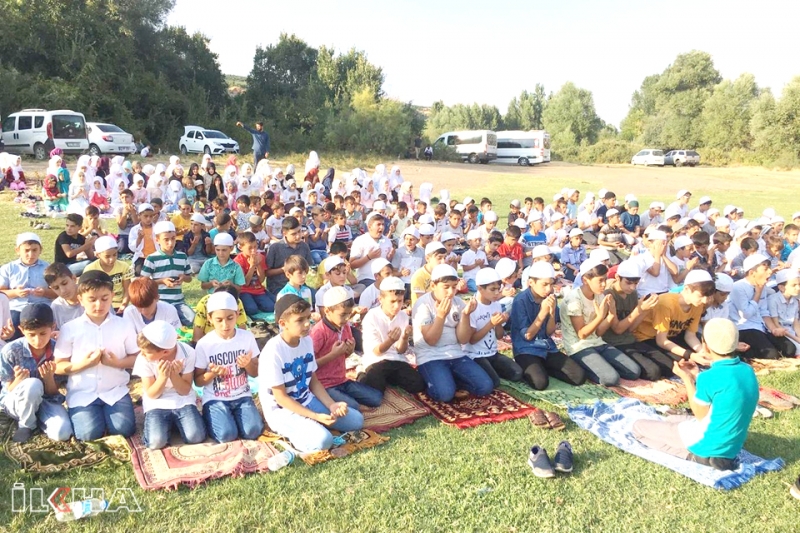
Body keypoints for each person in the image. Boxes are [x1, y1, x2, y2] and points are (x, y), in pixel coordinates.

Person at [633, 318, 758, 470]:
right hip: (731, 445)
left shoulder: (709, 377)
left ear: (704, 344)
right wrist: (696, 375)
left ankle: (694, 457)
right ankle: (703, 454)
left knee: (638, 427)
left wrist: (687, 379)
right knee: (672, 419)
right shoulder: (747, 370)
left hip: (706, 444)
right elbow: (722, 391)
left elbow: (700, 415)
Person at [259, 294, 364, 452]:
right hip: (281, 410)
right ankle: (297, 432)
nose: (307, 324)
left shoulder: (306, 341)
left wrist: (331, 405)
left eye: (308, 317)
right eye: (300, 320)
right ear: (283, 323)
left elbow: (313, 381)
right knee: (323, 441)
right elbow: (281, 398)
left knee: (356, 421)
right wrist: (315, 416)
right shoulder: (273, 350)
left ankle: (312, 425)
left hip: (306, 399)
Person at [54, 271, 138, 441]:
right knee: (88, 435)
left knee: (123, 429)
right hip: (82, 393)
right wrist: (83, 364)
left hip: (115, 391)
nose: (99, 305)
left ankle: (109, 416)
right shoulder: (70, 329)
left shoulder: (124, 325)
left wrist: (116, 363)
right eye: (92, 299)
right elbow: (59, 365)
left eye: (105, 298)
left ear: (112, 296)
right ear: (81, 299)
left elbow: (137, 357)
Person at [412, 264, 494, 402]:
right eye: (446, 287)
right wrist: (441, 316)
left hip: (456, 354)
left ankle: (449, 379)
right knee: (444, 395)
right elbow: (431, 340)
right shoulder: (422, 304)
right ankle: (438, 380)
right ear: (433, 286)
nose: (451, 292)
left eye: (454, 286)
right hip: (431, 356)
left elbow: (463, 340)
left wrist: (466, 315)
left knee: (485, 387)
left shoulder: (458, 303)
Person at [194, 292, 263, 442]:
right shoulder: (204, 344)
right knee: (227, 435)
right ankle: (211, 416)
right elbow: (198, 381)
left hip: (242, 396)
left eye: (230, 318)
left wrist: (247, 364)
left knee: (253, 431)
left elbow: (256, 372)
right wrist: (212, 373)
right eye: (219, 320)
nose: (225, 325)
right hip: (215, 398)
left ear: (237, 315)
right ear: (210, 319)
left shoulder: (247, 337)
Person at [559, 260, 642, 386]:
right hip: (579, 346)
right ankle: (581, 365)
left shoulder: (599, 296)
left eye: (605, 280)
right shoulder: (574, 299)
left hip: (598, 342)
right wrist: (600, 316)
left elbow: (598, 332)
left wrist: (611, 316)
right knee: (611, 379)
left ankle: (598, 365)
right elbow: (582, 334)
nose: (604, 284)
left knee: (634, 371)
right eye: (600, 281)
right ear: (585, 280)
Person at [0, 304, 72, 443]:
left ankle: (36, 417)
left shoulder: (59, 351)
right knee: (33, 384)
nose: (37, 340)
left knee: (62, 433)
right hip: (16, 401)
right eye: (31, 335)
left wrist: (49, 379)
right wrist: (18, 381)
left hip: (46, 400)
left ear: (53, 327)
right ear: (21, 330)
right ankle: (27, 425)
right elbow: (7, 388)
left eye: (43, 334)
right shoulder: (11, 351)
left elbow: (53, 394)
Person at [133, 321, 206, 450]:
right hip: (157, 402)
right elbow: (152, 394)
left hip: (182, 400)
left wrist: (173, 375)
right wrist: (162, 377)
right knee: (156, 443)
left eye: (146, 352)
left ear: (165, 352)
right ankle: (168, 425)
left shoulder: (187, 352)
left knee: (196, 436)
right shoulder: (142, 358)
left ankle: (173, 424)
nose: (142, 353)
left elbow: (184, 391)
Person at [633, 269, 716, 375]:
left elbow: (690, 335)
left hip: (670, 337)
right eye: (701, 296)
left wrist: (701, 352)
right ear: (687, 289)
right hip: (648, 338)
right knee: (674, 367)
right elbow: (661, 341)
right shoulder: (666, 304)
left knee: (696, 360)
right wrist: (690, 355)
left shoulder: (697, 305)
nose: (704, 301)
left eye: (707, 297)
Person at [310, 287, 383, 409]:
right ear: (327, 311)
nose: (346, 318)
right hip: (324, 384)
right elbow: (309, 366)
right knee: (353, 406)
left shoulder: (345, 326)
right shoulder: (318, 332)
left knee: (377, 398)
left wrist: (350, 351)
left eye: (349, 314)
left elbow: (343, 355)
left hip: (341, 380)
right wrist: (332, 355)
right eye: (343, 314)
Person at [358, 276, 425, 394]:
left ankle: (389, 378)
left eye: (400, 301)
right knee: (375, 388)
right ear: (381, 299)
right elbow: (376, 352)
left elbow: (400, 350)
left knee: (418, 384)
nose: (397, 306)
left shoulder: (403, 316)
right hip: (376, 360)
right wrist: (390, 341)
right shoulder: (371, 316)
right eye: (392, 301)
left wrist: (404, 337)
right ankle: (361, 372)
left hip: (396, 359)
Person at [602, 260, 665, 381]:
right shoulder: (609, 295)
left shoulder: (632, 294)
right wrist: (639, 309)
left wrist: (645, 310)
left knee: (668, 367)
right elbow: (618, 329)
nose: (632, 287)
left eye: (635, 283)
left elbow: (630, 327)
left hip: (630, 339)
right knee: (653, 372)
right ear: (617, 277)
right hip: (614, 343)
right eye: (628, 283)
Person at [464, 268, 523, 387]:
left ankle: (490, 369)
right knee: (494, 383)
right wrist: (490, 324)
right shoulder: (473, 307)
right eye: (492, 289)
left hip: (492, 353)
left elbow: (499, 336)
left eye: (498, 289)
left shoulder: (496, 305)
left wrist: (499, 323)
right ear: (480, 288)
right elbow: (472, 340)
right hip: (475, 355)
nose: (497, 293)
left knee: (517, 374)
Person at [730, 253, 796, 359]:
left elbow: (764, 311)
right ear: (752, 272)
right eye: (765, 269)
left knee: (789, 349)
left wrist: (773, 329)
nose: (770, 271)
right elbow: (746, 314)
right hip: (745, 328)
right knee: (771, 355)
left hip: (760, 326)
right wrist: (757, 293)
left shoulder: (762, 286)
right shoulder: (738, 287)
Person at [141, 221, 195, 328]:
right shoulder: (152, 258)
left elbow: (189, 278)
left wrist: (184, 278)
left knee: (193, 320)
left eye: (173, 238)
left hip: (178, 301)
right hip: (159, 302)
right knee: (159, 326)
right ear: (157, 240)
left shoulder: (182, 257)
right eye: (166, 239)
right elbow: (143, 282)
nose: (170, 243)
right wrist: (162, 281)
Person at [0, 233, 55, 334]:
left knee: (43, 326)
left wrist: (44, 292)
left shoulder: (48, 268)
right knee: (12, 324)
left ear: (40, 250)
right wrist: (16, 293)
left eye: (34, 250)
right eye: (26, 250)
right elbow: (1, 293)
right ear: (17, 251)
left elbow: (57, 292)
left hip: (41, 306)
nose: (31, 254)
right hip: (16, 308)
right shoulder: (8, 268)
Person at [265, 217, 314, 295]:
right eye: (294, 234)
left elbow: (308, 265)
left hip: (300, 284)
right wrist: (285, 269)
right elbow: (267, 272)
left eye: (299, 231)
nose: (298, 236)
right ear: (284, 233)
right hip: (279, 286)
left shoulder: (304, 246)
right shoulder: (275, 247)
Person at [350, 212, 395, 288]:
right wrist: (368, 257)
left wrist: (390, 257)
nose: (381, 227)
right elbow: (352, 265)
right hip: (366, 278)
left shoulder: (387, 241)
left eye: (383, 224)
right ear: (370, 226)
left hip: (384, 278)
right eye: (378, 224)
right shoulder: (360, 240)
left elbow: (387, 262)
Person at [235, 232, 275, 316]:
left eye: (255, 247)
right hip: (244, 291)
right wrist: (252, 266)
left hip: (258, 289)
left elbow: (261, 279)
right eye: (250, 248)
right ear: (240, 247)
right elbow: (245, 283)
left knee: (271, 307)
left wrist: (258, 264)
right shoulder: (238, 261)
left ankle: (260, 303)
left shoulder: (260, 257)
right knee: (251, 310)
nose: (253, 250)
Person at [44, 263, 84, 329]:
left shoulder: (90, 298)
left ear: (74, 279)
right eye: (56, 288)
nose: (63, 290)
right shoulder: (56, 307)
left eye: (64, 283)